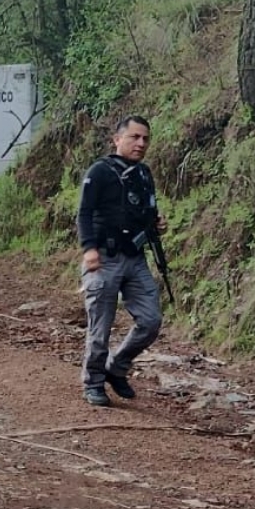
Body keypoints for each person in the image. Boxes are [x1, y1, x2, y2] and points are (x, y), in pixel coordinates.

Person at [76, 116, 164, 408]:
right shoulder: (99, 171)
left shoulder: (143, 174)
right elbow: (84, 212)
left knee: (151, 321)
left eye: (145, 139)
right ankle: (94, 382)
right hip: (103, 258)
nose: (140, 143)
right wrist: (89, 249)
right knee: (100, 326)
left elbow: (146, 211)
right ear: (117, 139)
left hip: (135, 258)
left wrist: (155, 225)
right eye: (134, 137)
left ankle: (117, 367)